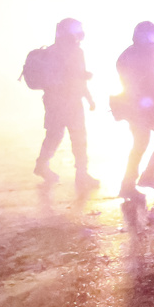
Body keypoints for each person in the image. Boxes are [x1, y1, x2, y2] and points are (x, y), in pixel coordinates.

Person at [33, 17, 99, 190]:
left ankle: (44, 166)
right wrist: (87, 95)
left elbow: (77, 79)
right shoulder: (69, 52)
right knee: (75, 137)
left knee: (57, 135)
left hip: (60, 101)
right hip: (65, 101)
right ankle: (80, 174)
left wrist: (88, 97)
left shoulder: (60, 51)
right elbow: (71, 78)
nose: (80, 34)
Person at [116, 21, 154, 199]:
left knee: (148, 142)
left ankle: (142, 178)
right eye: (152, 36)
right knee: (150, 141)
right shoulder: (134, 55)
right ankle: (133, 183)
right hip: (141, 108)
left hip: (147, 106)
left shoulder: (144, 53)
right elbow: (133, 83)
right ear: (142, 36)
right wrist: (145, 105)